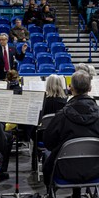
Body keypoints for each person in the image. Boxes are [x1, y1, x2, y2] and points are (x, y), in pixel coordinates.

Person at [43, 70, 99, 198]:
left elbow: (48, 143)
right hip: (95, 170)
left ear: (70, 88)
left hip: (64, 170)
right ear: (90, 88)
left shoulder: (62, 115)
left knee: (47, 156)